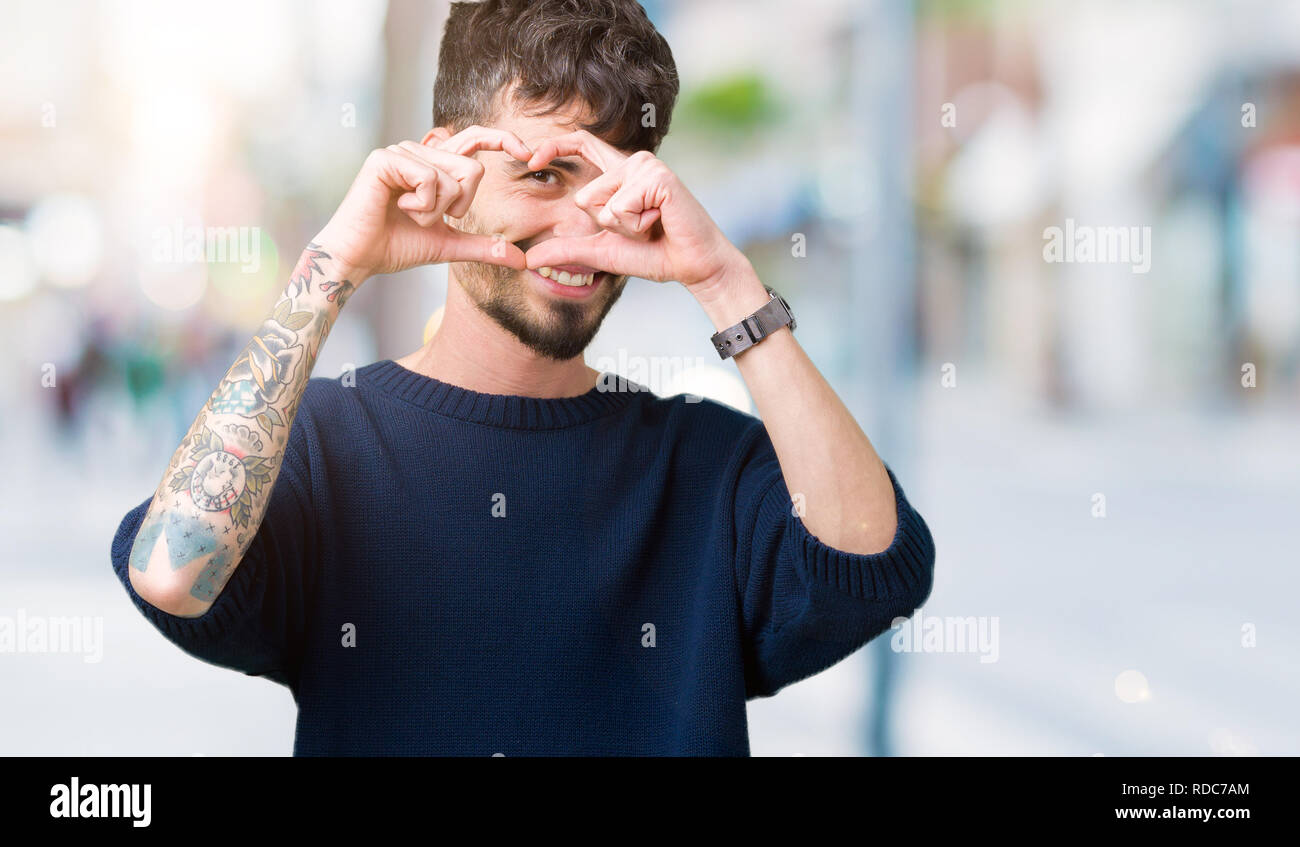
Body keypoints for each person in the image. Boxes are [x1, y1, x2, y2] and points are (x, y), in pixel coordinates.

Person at [110, 0, 935, 756]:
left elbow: (872, 566)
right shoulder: (329, 443)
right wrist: (329, 269)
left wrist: (725, 282)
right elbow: (174, 569)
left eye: (615, 181)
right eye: (543, 174)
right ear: (442, 171)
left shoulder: (707, 463)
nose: (583, 226)